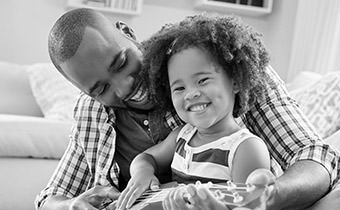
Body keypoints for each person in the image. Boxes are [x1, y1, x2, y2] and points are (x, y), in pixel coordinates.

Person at [35, 8, 340, 210]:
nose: (123, 87)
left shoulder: (218, 64)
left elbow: (315, 156)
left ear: (127, 31)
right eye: (100, 89)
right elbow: (49, 197)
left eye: (121, 62)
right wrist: (71, 205)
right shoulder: (91, 112)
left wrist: (263, 198)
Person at [115, 14, 274, 210]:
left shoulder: (246, 149)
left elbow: (249, 204)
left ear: (235, 81)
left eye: (203, 80)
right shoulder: (182, 136)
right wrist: (142, 173)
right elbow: (145, 158)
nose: (191, 94)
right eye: (179, 88)